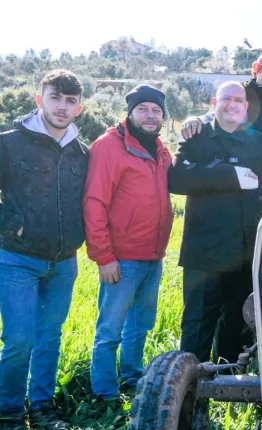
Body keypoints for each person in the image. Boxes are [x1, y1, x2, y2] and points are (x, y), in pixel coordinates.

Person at [0, 70, 88, 430]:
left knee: (49, 338)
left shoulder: (82, 153)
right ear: (40, 100)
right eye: (55, 97)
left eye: (70, 101)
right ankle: (8, 417)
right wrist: (11, 224)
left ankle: (42, 408)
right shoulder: (8, 145)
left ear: (79, 108)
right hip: (16, 260)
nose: (62, 106)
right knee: (20, 340)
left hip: (64, 262)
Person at [169, 81, 262, 364]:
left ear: (246, 107)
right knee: (197, 324)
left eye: (238, 100)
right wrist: (228, 175)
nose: (232, 104)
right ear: (213, 103)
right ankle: (190, 394)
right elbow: (177, 179)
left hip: (244, 252)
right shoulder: (198, 137)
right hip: (204, 251)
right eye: (226, 98)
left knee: (236, 322)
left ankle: (228, 385)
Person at [83, 85, 173, 401]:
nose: (150, 116)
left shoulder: (160, 149)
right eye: (144, 109)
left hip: (153, 256)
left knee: (140, 325)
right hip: (122, 258)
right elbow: (94, 202)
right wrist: (103, 256)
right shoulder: (109, 146)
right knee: (110, 330)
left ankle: (132, 379)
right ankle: (104, 395)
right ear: (130, 112)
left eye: (157, 111)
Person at [182, 51, 262, 166]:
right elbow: (218, 113)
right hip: (242, 167)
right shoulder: (242, 92)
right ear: (257, 71)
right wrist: (196, 120)